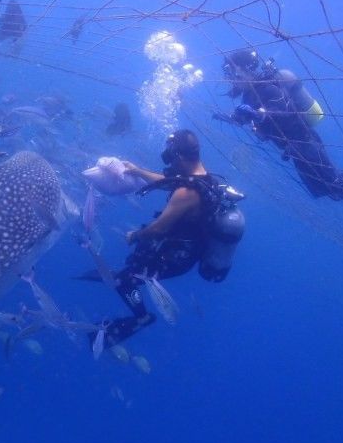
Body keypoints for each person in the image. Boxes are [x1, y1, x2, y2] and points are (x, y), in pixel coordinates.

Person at [94, 130, 245, 347]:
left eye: (172, 157)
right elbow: (170, 181)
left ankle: (142, 317)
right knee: (129, 272)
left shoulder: (186, 193)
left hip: (174, 257)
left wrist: (134, 236)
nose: (170, 161)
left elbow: (159, 228)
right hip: (189, 252)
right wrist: (138, 171)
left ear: (181, 157)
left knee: (124, 281)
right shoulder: (205, 179)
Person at [216, 48, 343, 201]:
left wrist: (259, 115)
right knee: (325, 191)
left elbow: (281, 110)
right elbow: (250, 117)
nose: (230, 79)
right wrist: (232, 118)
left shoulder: (268, 88)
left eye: (231, 73)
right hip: (294, 150)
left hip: (305, 143)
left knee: (335, 187)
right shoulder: (249, 95)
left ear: (244, 70)